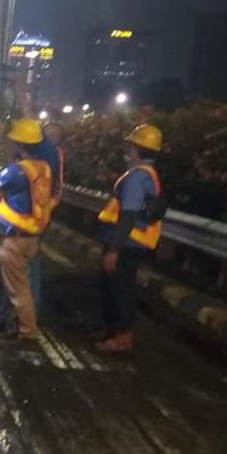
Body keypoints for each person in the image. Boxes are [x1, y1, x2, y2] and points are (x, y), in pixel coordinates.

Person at [0, 121, 65, 334]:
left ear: (20, 144)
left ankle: (26, 331)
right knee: (22, 283)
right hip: (32, 235)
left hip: (16, 239)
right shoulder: (42, 167)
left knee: (19, 289)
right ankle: (14, 324)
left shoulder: (18, 171)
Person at [95, 123, 165, 352]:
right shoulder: (148, 175)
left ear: (136, 148)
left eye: (131, 144)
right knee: (116, 287)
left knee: (120, 289)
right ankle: (114, 331)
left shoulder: (137, 178)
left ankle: (123, 337)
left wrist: (113, 251)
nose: (127, 148)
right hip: (131, 243)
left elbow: (128, 216)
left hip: (126, 244)